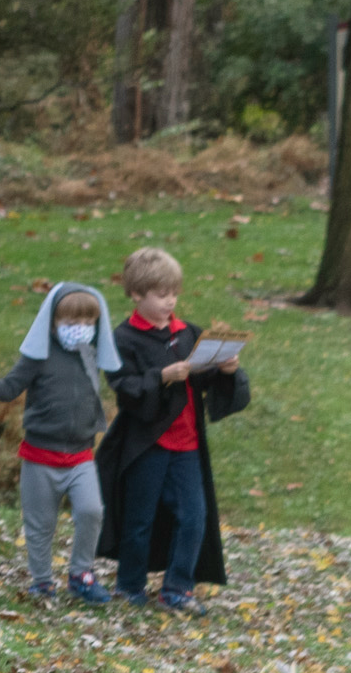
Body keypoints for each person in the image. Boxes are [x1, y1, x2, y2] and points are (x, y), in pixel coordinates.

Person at [96, 246, 250, 612]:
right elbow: (124, 387)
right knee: (139, 519)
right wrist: (160, 377)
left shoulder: (188, 334)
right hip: (146, 445)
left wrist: (228, 370)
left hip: (188, 445)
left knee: (194, 517)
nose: (170, 302)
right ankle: (130, 585)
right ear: (136, 294)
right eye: (161, 295)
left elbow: (211, 380)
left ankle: (178, 588)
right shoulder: (123, 339)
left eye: (174, 293)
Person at [0, 283, 119, 604]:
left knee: (92, 510)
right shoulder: (38, 357)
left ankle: (81, 574)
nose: (79, 330)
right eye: (70, 323)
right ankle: (42, 581)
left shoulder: (90, 355)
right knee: (40, 524)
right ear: (52, 323)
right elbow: (9, 389)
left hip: (80, 456)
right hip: (40, 457)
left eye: (87, 323)